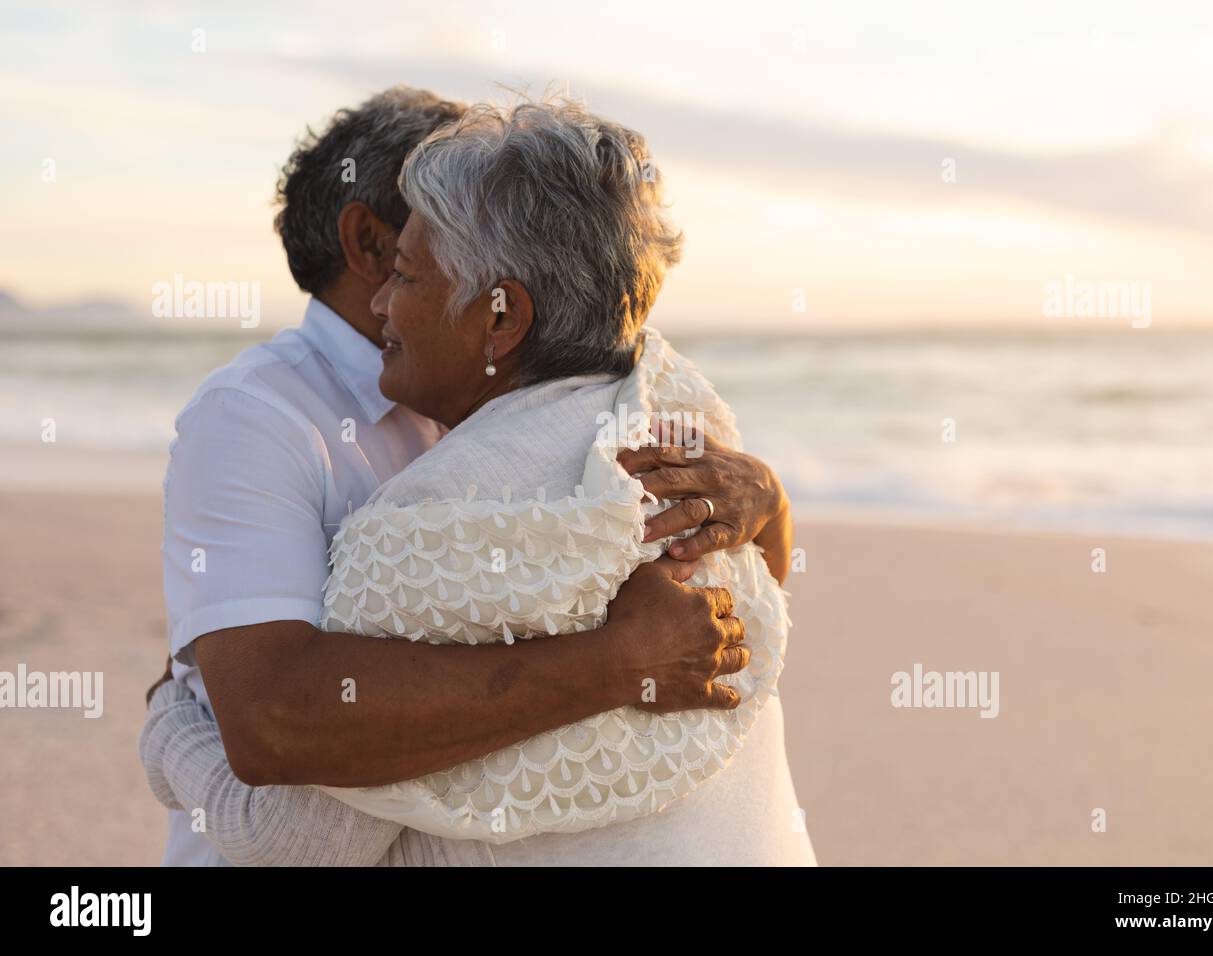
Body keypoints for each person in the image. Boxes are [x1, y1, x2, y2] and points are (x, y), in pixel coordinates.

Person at [143, 88, 800, 866]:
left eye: (412, 274)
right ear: (365, 239)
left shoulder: (441, 510)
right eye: (398, 265)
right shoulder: (660, 400)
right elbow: (278, 720)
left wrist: (166, 723)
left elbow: (289, 829)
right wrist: (618, 664)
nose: (390, 297)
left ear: (499, 317)